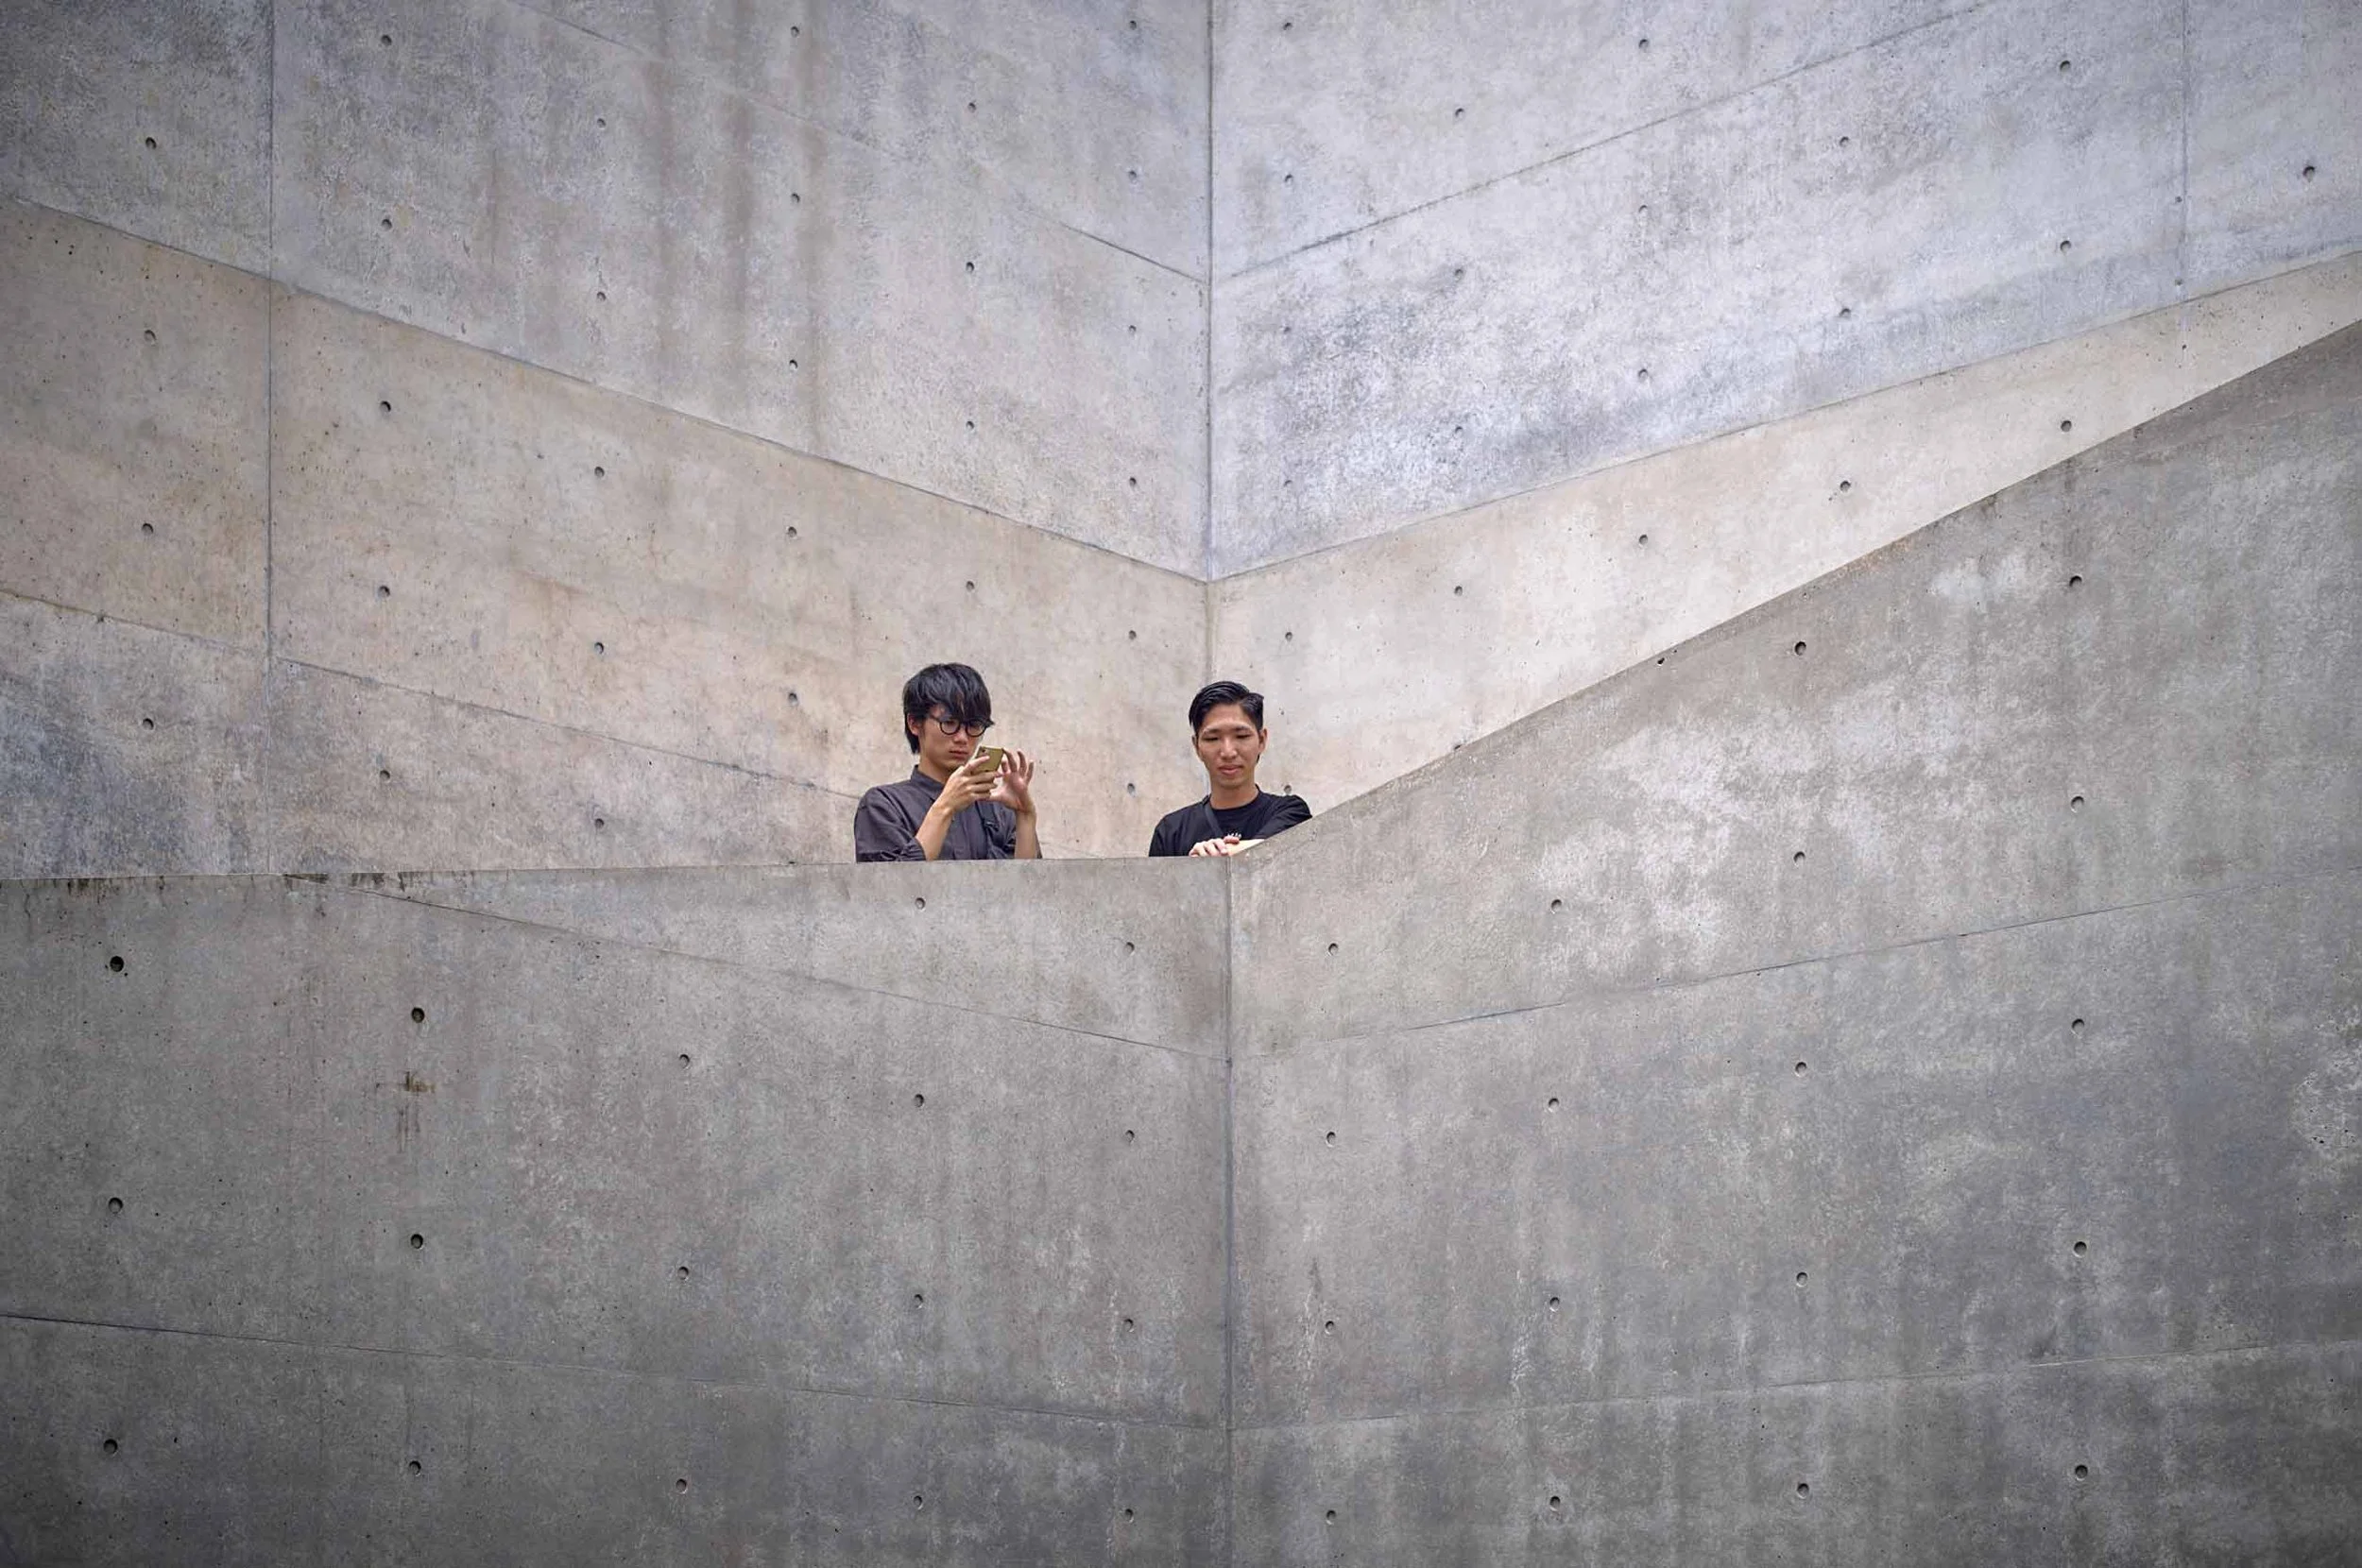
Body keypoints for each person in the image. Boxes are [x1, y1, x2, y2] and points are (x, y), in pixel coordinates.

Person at [855, 663, 1039, 861]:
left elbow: (1029, 880)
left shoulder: (998, 811)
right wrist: (945, 807)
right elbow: (891, 879)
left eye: (974, 725)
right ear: (915, 723)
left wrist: (1025, 816)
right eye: (949, 723)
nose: (962, 738)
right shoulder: (884, 804)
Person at [1148, 680, 1310, 857]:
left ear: (1262, 740)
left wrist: (1211, 857)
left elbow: (1275, 850)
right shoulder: (1171, 832)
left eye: (1241, 736)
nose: (1228, 752)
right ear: (1197, 747)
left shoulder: (1292, 812)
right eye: (1212, 739)